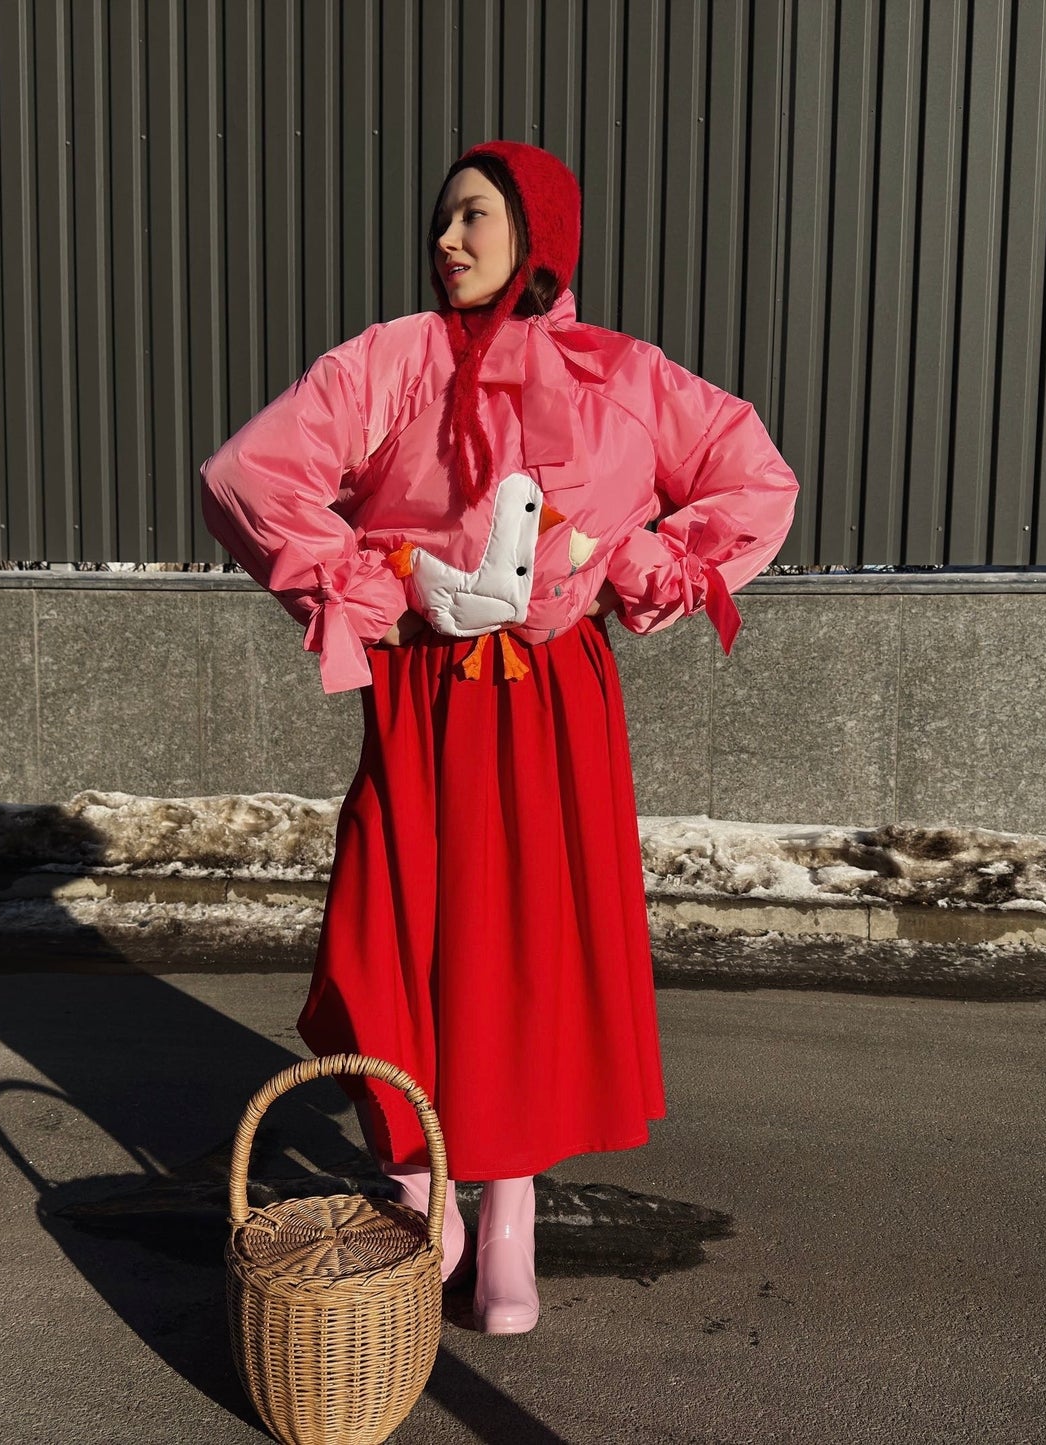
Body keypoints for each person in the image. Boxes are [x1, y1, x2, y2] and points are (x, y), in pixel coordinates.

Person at [200, 140, 798, 1334]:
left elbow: (751, 479)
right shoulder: (390, 361)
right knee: (385, 934)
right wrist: (366, 581)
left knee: (521, 945)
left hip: (546, 696)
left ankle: (509, 1210)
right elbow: (248, 474)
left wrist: (636, 559)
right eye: (441, 219)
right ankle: (427, 1187)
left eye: (473, 217)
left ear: (539, 235)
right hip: (420, 694)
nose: (447, 240)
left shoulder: (617, 374)